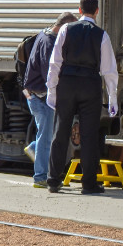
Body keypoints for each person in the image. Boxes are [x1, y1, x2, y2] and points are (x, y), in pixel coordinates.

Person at [45, 0, 119, 195]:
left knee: (60, 131)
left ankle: (53, 180)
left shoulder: (66, 30)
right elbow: (109, 70)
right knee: (89, 135)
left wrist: (51, 90)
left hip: (67, 84)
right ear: (96, 11)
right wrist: (112, 96)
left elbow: (55, 63)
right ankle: (89, 183)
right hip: (90, 85)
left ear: (79, 10)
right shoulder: (102, 35)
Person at [22, 12, 77, 188]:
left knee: (45, 136)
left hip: (37, 95)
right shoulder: (49, 43)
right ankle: (40, 177)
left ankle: (34, 149)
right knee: (46, 137)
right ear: (64, 28)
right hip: (41, 97)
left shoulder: (44, 35)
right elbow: (49, 74)